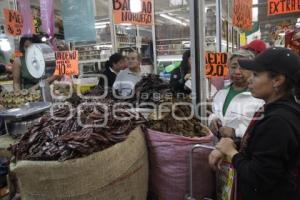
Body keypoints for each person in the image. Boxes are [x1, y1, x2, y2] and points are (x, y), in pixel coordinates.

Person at [210, 47, 300, 200]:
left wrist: (231, 153)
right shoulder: (276, 110)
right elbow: (261, 151)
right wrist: (232, 146)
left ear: (277, 80)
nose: (250, 79)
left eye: (256, 75)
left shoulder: (278, 122)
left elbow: (258, 178)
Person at [208, 49, 264, 139]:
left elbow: (262, 130)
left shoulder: (260, 98)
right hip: (218, 148)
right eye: (233, 67)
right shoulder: (220, 94)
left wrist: (236, 132)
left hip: (243, 150)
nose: (237, 72)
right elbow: (213, 112)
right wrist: (212, 119)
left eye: (243, 68)